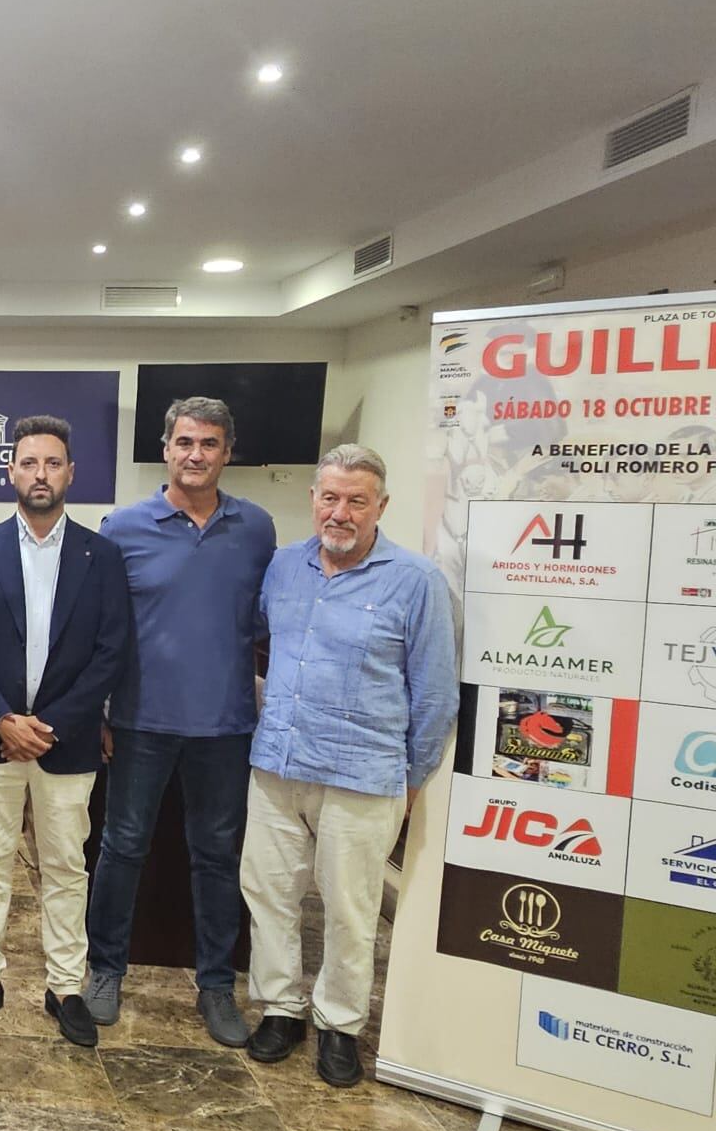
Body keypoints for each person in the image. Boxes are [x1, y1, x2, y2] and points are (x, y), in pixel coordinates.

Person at [241, 444, 457, 1088]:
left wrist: (411, 778)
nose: (340, 513)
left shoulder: (416, 582)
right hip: (279, 763)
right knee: (270, 895)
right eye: (330, 498)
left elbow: (437, 692)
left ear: (380, 507)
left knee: (349, 907)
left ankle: (340, 1025)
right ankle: (281, 1008)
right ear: (313, 500)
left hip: (364, 774)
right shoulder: (282, 568)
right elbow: (259, 640)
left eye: (356, 501)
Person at [84, 396, 276, 1047]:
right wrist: (101, 712)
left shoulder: (256, 529)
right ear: (166, 448)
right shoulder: (123, 527)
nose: (196, 455)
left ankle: (217, 984)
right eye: (185, 442)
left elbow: (261, 622)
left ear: (227, 453)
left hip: (225, 727)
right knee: (121, 847)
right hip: (140, 721)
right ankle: (105, 969)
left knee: (217, 857)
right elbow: (102, 630)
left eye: (210, 444)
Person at [0, 415, 130, 1045]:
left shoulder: (101, 556)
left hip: (67, 742)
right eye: (29, 463)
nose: (40, 474)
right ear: (11, 472)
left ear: (70, 473)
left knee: (64, 865)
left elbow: (111, 651)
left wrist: (48, 725)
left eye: (52, 463)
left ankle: (65, 987)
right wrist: (2, 718)